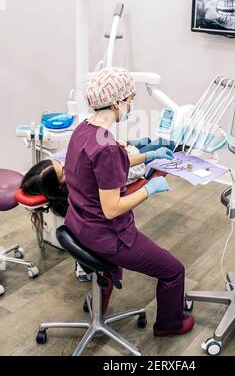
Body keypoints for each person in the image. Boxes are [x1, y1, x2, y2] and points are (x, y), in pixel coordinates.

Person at [63, 66, 195, 336]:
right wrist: (151, 188)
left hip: (78, 223)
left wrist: (149, 155)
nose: (132, 105)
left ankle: (100, 301)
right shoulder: (107, 146)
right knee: (174, 270)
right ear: (116, 102)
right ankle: (170, 325)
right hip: (107, 235)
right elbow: (112, 210)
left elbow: (107, 162)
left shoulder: (84, 130)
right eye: (130, 99)